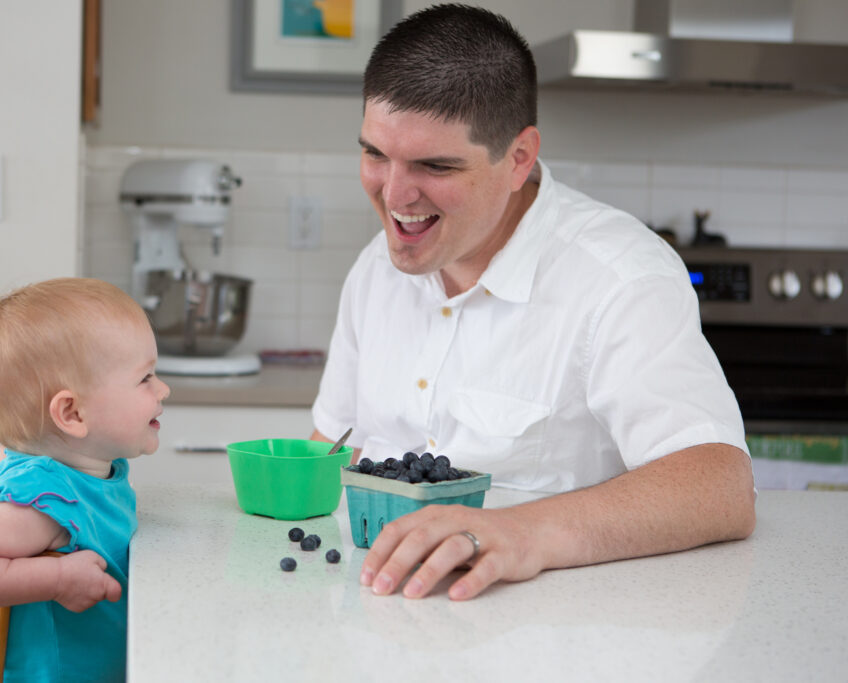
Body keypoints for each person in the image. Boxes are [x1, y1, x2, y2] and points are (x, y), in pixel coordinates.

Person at [310, 4, 756, 601]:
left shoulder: (620, 277)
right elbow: (333, 447)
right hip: (384, 612)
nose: (393, 194)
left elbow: (720, 486)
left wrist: (518, 534)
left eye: (434, 165)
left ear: (518, 158)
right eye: (374, 154)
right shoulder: (376, 269)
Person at [0, 278, 171, 682]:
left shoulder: (71, 471)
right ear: (72, 414)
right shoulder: (42, 506)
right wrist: (58, 579)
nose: (163, 389)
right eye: (145, 378)